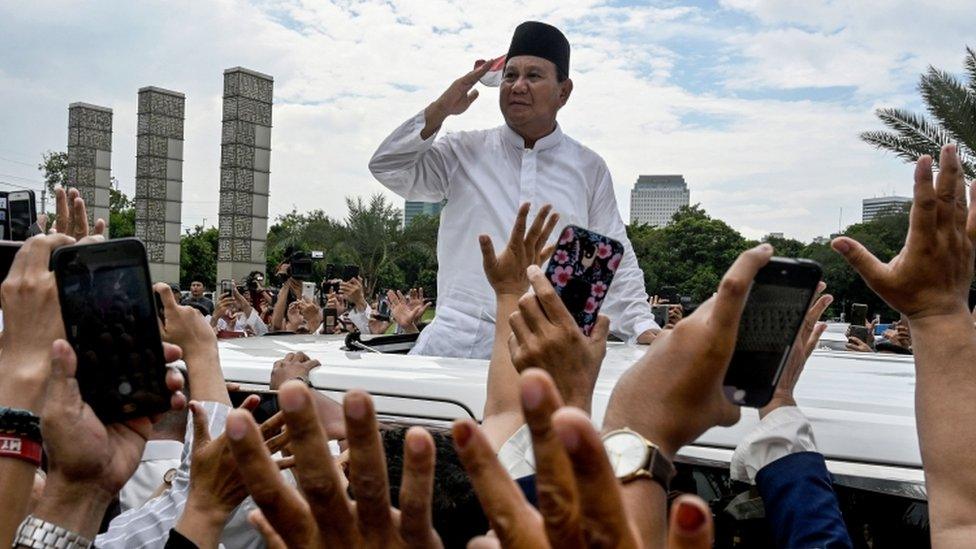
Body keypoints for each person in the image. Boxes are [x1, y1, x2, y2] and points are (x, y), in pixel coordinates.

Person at [369, 20, 659, 359]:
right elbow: (388, 166)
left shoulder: (588, 168)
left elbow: (612, 252)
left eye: (533, 76)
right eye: (510, 76)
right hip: (455, 348)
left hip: (546, 349)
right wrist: (441, 109)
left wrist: (642, 325)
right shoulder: (463, 150)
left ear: (563, 92)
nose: (517, 86)